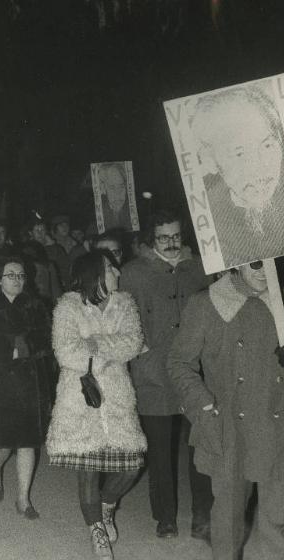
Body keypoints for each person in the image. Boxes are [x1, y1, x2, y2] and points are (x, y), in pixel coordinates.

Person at [167, 261, 284, 560]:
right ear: (236, 263)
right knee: (229, 516)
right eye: (255, 264)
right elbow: (179, 363)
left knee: (279, 520)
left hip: (278, 426)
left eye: (271, 262)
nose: (265, 271)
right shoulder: (206, 303)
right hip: (228, 427)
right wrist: (205, 405)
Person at [47, 250, 147, 560]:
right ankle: (96, 531)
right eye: (109, 266)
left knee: (132, 463)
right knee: (88, 469)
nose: (117, 270)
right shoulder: (68, 306)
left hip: (117, 395)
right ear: (95, 274)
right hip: (80, 398)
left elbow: (133, 344)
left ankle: (107, 505)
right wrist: (108, 347)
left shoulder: (125, 304)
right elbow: (65, 352)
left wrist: (94, 344)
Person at [119, 209, 213, 539]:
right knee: (159, 451)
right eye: (163, 237)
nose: (172, 243)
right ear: (151, 239)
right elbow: (120, 315)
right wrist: (137, 346)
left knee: (202, 447)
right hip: (152, 374)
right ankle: (165, 517)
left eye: (176, 235)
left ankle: (203, 516)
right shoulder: (132, 273)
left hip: (195, 372)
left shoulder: (201, 267)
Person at [190, 85, 284, 267]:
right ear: (210, 161)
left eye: (267, 146)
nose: (259, 168)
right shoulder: (208, 223)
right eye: (239, 153)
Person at [0, 257, 53, 517]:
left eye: (20, 275)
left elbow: (45, 340)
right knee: (2, 445)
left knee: (28, 442)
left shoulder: (37, 307)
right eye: (11, 275)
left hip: (30, 382)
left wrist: (24, 346)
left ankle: (23, 499)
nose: (17, 279)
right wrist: (14, 347)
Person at [50, 215, 87, 289]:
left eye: (66, 225)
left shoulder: (74, 244)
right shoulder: (51, 244)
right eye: (61, 225)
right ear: (55, 228)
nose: (65, 227)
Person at [97, 163, 133, 231]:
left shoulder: (131, 212)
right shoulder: (98, 217)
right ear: (104, 189)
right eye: (112, 187)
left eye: (121, 186)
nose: (118, 193)